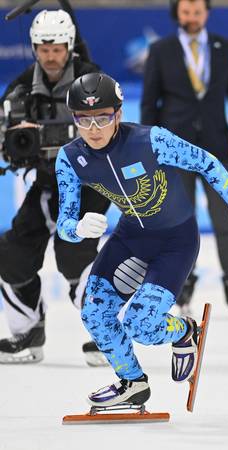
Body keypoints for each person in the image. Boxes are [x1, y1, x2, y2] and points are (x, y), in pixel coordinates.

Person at [56, 72, 228, 407]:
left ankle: (184, 331)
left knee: (141, 325)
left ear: (118, 114)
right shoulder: (70, 157)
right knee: (93, 312)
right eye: (84, 120)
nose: (94, 129)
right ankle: (133, 383)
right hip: (130, 239)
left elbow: (206, 163)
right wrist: (75, 229)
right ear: (74, 119)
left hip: (175, 242)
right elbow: (64, 221)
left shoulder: (150, 141)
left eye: (103, 118)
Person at [0, 10, 110, 366]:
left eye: (57, 48)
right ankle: (28, 333)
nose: (50, 56)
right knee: (11, 257)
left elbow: (111, 129)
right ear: (34, 47)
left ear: (69, 46)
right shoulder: (19, 88)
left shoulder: (91, 80)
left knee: (75, 256)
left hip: (88, 183)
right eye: (43, 49)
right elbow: (8, 141)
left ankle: (108, 334)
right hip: (46, 183)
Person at [140, 0, 228, 312]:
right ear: (177, 13)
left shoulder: (226, 48)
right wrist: (147, 146)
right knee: (180, 220)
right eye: (186, 11)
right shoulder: (160, 50)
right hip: (175, 149)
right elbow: (150, 102)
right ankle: (184, 280)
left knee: (223, 216)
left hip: (217, 147)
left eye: (197, 11)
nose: (191, 17)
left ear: (207, 13)